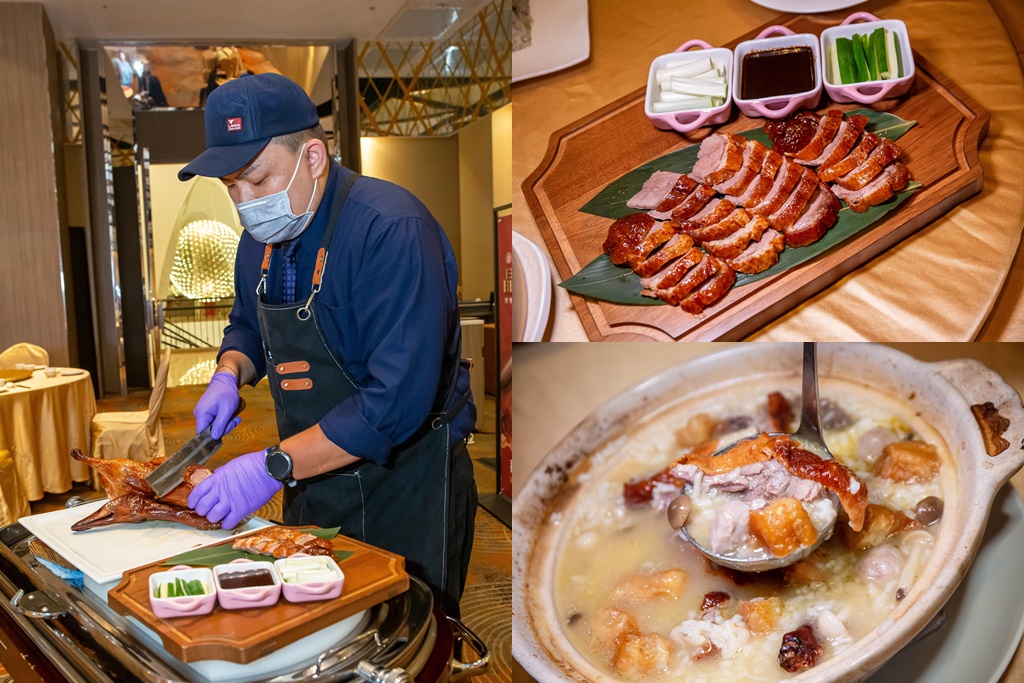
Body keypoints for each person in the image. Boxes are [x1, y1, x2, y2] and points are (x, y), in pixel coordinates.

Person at [177, 73, 477, 618]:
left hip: (408, 481)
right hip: (310, 474)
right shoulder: (258, 242)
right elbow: (247, 325)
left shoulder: (390, 229)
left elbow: (394, 404)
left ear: (313, 157)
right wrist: (229, 372)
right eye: (230, 187)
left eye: (257, 180)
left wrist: (265, 467)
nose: (244, 204)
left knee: (408, 635)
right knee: (320, 627)